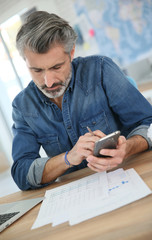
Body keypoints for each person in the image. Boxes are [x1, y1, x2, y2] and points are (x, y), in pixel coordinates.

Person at [11, 11, 152, 190]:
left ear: (71, 52)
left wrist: (127, 148)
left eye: (56, 67)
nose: (49, 82)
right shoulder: (22, 106)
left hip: (128, 178)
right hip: (77, 195)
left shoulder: (101, 70)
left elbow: (149, 123)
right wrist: (68, 158)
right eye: (37, 70)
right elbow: (21, 173)